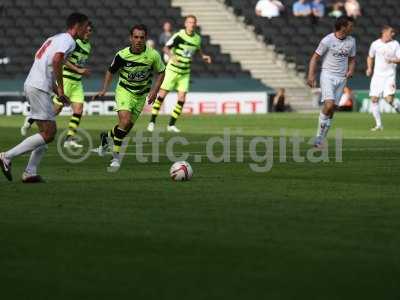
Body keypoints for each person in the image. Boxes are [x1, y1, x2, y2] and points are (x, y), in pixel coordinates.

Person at [0, 13, 89, 182]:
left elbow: (44, 63)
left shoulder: (54, 38)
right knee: (49, 133)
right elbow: (56, 62)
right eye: (85, 26)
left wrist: (56, 91)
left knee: (45, 133)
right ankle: (7, 156)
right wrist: (61, 89)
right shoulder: (69, 40)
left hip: (35, 84)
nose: (87, 29)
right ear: (77, 25)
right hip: (38, 86)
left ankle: (30, 173)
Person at [93, 24, 165, 171]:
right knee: (124, 121)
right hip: (124, 91)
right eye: (136, 37)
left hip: (141, 95)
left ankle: (106, 136)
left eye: (142, 37)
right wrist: (104, 89)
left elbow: (162, 72)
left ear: (146, 39)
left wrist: (155, 90)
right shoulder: (122, 55)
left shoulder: (153, 55)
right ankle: (116, 158)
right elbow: (110, 71)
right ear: (130, 38)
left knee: (125, 128)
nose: (139, 40)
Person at [20, 22, 94, 148]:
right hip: (66, 79)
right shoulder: (75, 42)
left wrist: (80, 71)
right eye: (86, 29)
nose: (88, 32)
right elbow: (62, 60)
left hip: (77, 82)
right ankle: (32, 118)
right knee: (56, 109)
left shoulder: (88, 46)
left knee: (79, 110)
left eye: (90, 30)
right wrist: (78, 69)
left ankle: (69, 139)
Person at [147, 15, 212, 133]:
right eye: (189, 22)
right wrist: (172, 56)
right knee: (162, 96)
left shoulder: (197, 38)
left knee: (182, 99)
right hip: (172, 70)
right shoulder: (179, 35)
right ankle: (152, 122)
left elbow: (197, 49)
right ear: (185, 24)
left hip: (185, 72)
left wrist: (203, 56)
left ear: (195, 24)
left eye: (193, 22)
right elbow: (166, 48)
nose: (191, 24)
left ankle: (171, 125)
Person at [307, 16, 356, 148]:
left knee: (333, 108)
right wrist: (311, 75)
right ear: (343, 27)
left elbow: (352, 59)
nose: (353, 28)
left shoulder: (352, 41)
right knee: (329, 105)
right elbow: (315, 57)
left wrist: (351, 70)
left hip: (341, 78)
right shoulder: (328, 40)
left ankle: (321, 139)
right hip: (328, 75)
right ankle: (318, 137)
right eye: (351, 25)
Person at [366, 26, 400, 131]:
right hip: (377, 76)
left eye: (393, 32)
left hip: (389, 76)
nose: (393, 34)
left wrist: (392, 60)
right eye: (391, 32)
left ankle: (397, 107)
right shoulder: (375, 44)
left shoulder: (395, 44)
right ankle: (379, 125)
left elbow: (399, 59)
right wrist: (369, 68)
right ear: (384, 32)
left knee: (389, 99)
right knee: (374, 99)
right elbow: (370, 56)